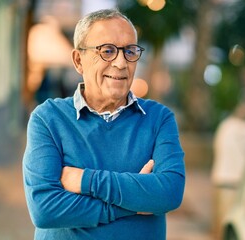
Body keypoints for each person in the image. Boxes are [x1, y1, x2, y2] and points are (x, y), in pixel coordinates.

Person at [22, 9, 185, 240]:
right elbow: (45, 209)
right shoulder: (48, 119)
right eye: (107, 51)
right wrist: (133, 202)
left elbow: (169, 192)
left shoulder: (159, 119)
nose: (121, 63)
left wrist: (84, 180)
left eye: (130, 51)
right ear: (79, 60)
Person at [210, 102, 245, 240]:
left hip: (222, 179)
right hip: (240, 183)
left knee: (220, 225)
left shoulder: (226, 126)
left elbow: (217, 148)